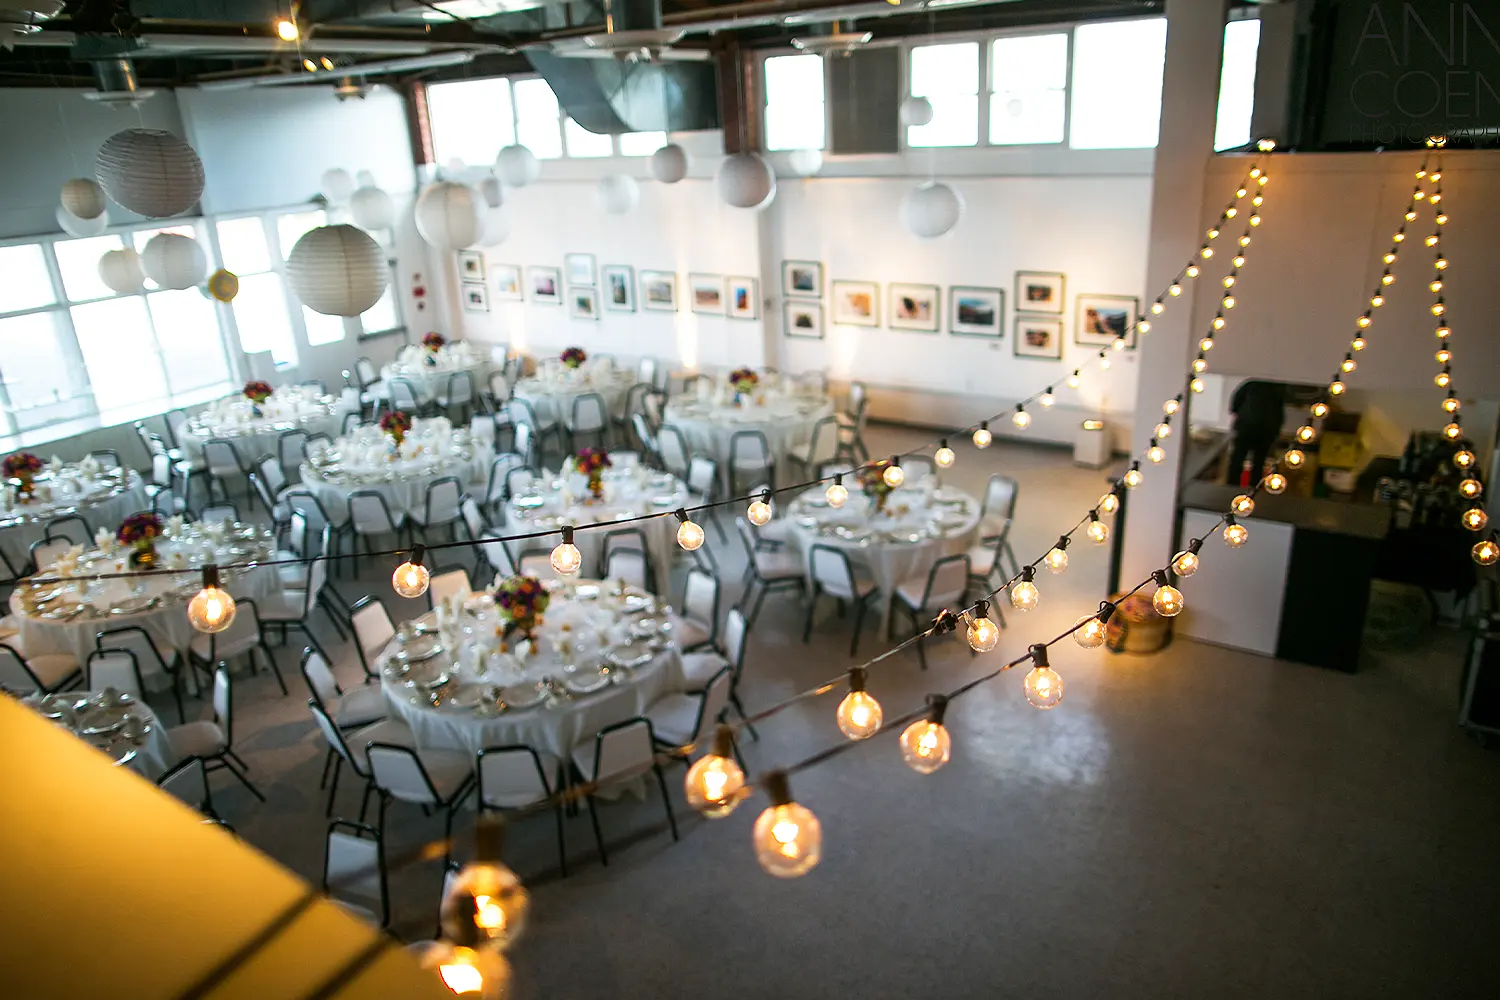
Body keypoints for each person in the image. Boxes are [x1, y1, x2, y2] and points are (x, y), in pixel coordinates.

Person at [1227, 379, 1287, 485]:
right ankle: (1253, 488)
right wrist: (1276, 431)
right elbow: (1279, 413)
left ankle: (1231, 485)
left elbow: (1235, 403)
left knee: (1237, 458)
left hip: (1246, 426)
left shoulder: (1250, 384)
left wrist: (1239, 414)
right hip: (1266, 430)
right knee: (1259, 462)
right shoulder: (1276, 389)